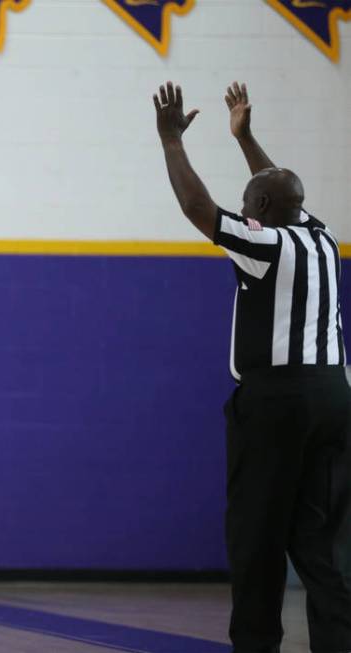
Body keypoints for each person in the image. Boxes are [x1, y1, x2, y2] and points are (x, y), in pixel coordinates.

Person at [154, 81, 351, 653]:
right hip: (335, 400)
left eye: (250, 204)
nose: (246, 211)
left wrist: (171, 142)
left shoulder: (264, 244)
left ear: (261, 211)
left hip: (276, 404)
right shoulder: (322, 236)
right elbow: (284, 189)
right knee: (325, 544)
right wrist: (245, 138)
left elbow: (200, 210)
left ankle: (257, 644)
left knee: (256, 536)